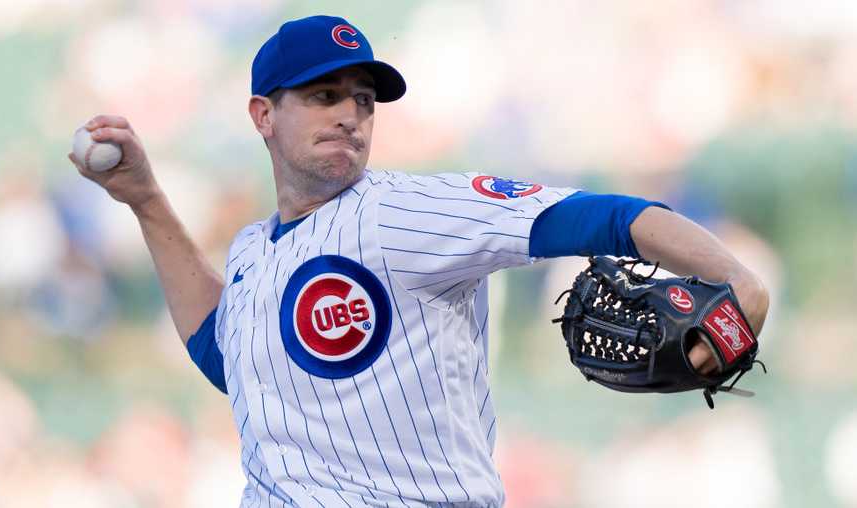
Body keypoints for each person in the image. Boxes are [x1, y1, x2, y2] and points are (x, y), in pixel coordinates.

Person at [69, 15, 769, 508]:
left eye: (364, 100)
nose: (350, 114)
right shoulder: (252, 251)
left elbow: (599, 216)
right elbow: (231, 362)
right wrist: (146, 202)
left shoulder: (402, 211)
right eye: (324, 96)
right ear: (262, 115)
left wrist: (737, 281)